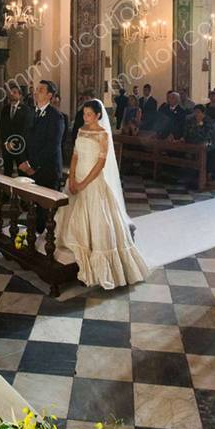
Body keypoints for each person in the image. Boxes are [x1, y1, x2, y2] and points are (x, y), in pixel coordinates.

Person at [54, 99, 149, 289]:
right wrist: (72, 178)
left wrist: (83, 183)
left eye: (89, 114)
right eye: (84, 114)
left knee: (97, 220)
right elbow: (74, 156)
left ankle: (97, 260)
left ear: (98, 115)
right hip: (76, 179)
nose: (85, 117)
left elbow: (100, 164)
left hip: (92, 182)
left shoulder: (103, 134)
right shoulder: (81, 130)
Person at [19, 80, 66, 232]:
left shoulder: (56, 117)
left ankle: (45, 245)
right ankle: (34, 239)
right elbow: (26, 138)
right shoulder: (32, 112)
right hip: (32, 167)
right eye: (36, 89)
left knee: (45, 211)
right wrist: (24, 161)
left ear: (49, 95)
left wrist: (32, 164)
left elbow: (52, 146)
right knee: (33, 208)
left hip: (48, 170)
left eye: (40, 90)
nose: (35, 92)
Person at [0, 84, 35, 177]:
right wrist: (6, 143)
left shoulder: (26, 110)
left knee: (22, 173)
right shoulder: (5, 109)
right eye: (11, 92)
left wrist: (14, 143)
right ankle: (6, 191)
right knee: (7, 172)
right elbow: (1, 128)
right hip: (7, 147)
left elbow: (25, 129)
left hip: (20, 147)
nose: (12, 94)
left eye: (15, 92)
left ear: (20, 95)